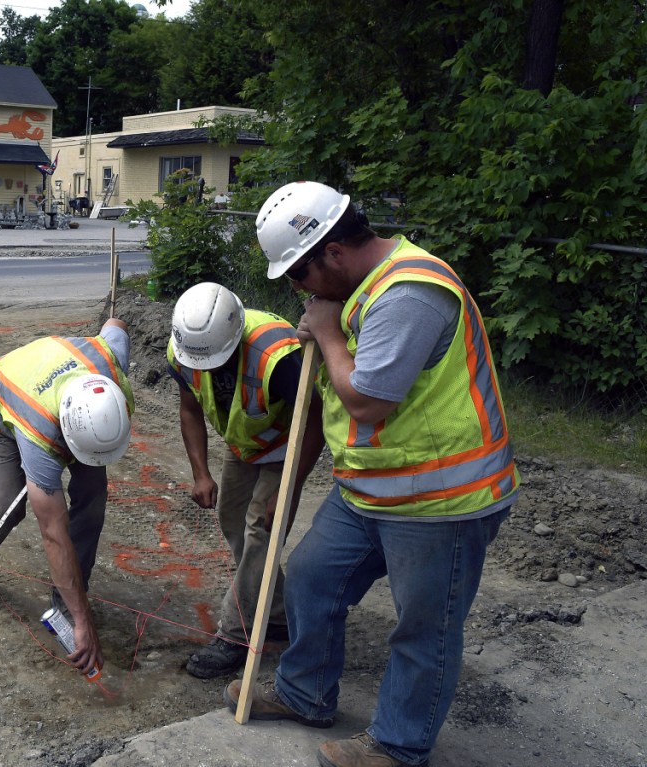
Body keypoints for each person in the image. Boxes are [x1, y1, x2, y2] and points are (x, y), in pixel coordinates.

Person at [225, 181, 521, 767]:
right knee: (311, 577)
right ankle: (304, 693)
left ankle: (398, 746)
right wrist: (329, 328)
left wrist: (329, 333)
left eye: (299, 276)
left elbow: (368, 400)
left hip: (442, 499)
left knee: (423, 628)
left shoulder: (411, 291)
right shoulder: (362, 289)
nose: (298, 291)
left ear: (333, 253)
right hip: (372, 490)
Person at [0, 319, 134, 678]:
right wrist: (85, 624)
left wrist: (77, 609)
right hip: (7, 396)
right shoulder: (39, 435)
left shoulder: (111, 364)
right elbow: (53, 531)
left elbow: (115, 325)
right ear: (66, 436)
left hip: (64, 392)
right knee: (6, 506)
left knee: (93, 500)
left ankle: (69, 595)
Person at [167, 282, 322, 678]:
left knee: (261, 529)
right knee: (231, 520)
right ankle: (280, 612)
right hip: (245, 444)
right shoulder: (185, 348)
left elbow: (315, 420)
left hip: (288, 443)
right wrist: (200, 472)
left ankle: (235, 634)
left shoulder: (278, 355)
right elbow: (189, 409)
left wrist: (289, 487)